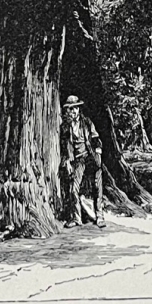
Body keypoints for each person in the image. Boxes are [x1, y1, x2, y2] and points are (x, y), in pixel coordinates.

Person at [60, 95, 105, 228]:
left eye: (75, 109)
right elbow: (64, 147)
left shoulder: (86, 122)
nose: (72, 111)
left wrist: (98, 151)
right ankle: (76, 218)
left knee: (97, 186)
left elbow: (95, 137)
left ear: (79, 109)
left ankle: (100, 216)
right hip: (77, 160)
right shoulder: (65, 127)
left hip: (90, 156)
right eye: (70, 109)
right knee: (74, 189)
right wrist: (67, 160)